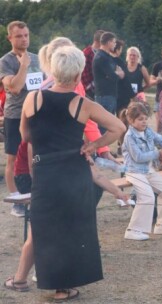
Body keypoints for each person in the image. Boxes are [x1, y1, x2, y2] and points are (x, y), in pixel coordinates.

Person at [19, 45, 125, 301]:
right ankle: (62, 288)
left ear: (53, 71)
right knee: (72, 227)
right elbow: (118, 127)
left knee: (47, 227)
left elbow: (25, 136)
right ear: (78, 75)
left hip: (44, 169)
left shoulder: (32, 98)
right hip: (72, 170)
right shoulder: (82, 104)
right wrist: (93, 145)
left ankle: (48, 283)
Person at [0, 21, 42, 217]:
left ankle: (35, 195)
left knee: (36, 156)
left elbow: (43, 85)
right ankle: (16, 200)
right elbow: (14, 88)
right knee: (13, 158)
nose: (24, 39)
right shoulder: (5, 61)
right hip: (15, 116)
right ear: (10, 38)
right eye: (19, 36)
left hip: (37, 114)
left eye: (26, 35)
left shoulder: (37, 58)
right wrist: (23, 66)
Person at [121, 102, 162, 240]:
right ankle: (133, 230)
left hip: (148, 170)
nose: (144, 122)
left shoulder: (148, 131)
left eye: (145, 118)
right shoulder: (129, 137)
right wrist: (157, 153)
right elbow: (138, 157)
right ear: (131, 120)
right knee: (147, 196)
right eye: (140, 119)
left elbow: (161, 139)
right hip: (134, 172)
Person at [92, 32, 124, 118]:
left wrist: (115, 74)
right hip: (104, 96)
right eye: (114, 42)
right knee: (104, 126)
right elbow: (113, 77)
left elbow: (112, 74)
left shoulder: (107, 56)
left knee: (109, 125)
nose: (115, 44)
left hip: (110, 95)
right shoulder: (101, 57)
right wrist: (117, 74)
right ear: (109, 42)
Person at [111, 40, 137, 115]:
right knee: (121, 117)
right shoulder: (120, 62)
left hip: (109, 94)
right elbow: (126, 80)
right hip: (122, 95)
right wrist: (133, 96)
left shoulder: (106, 60)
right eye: (121, 49)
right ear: (117, 50)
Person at [81, 29, 104, 98]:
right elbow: (84, 73)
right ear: (99, 42)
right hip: (90, 91)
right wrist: (90, 86)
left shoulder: (101, 53)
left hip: (99, 90)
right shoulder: (86, 53)